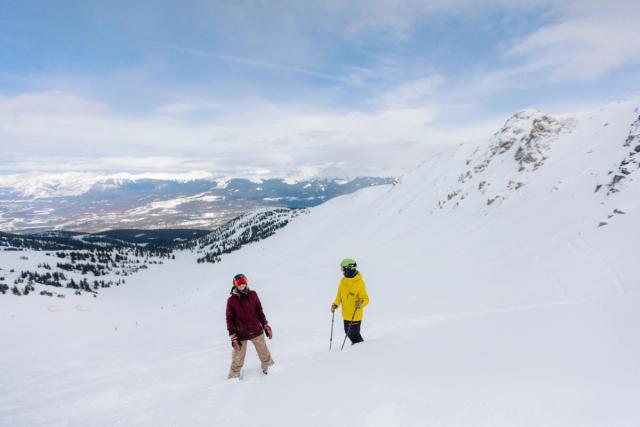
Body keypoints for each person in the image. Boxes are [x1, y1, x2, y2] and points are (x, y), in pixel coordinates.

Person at [226, 273, 274, 379]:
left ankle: (269, 367)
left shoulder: (253, 295)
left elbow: (259, 311)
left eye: (243, 282)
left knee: (264, 352)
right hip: (240, 333)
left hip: (256, 329)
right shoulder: (231, 301)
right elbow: (230, 319)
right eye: (238, 283)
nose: (241, 285)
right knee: (238, 358)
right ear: (234, 284)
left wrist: (265, 325)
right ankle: (233, 375)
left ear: (246, 282)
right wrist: (233, 336)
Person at [331, 258, 369, 345]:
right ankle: (357, 348)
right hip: (346, 315)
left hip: (355, 315)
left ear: (349, 269)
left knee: (354, 335)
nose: (342, 271)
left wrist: (361, 303)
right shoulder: (343, 281)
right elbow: (339, 295)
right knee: (348, 333)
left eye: (343, 268)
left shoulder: (359, 283)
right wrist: (335, 304)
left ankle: (362, 349)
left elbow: (366, 298)